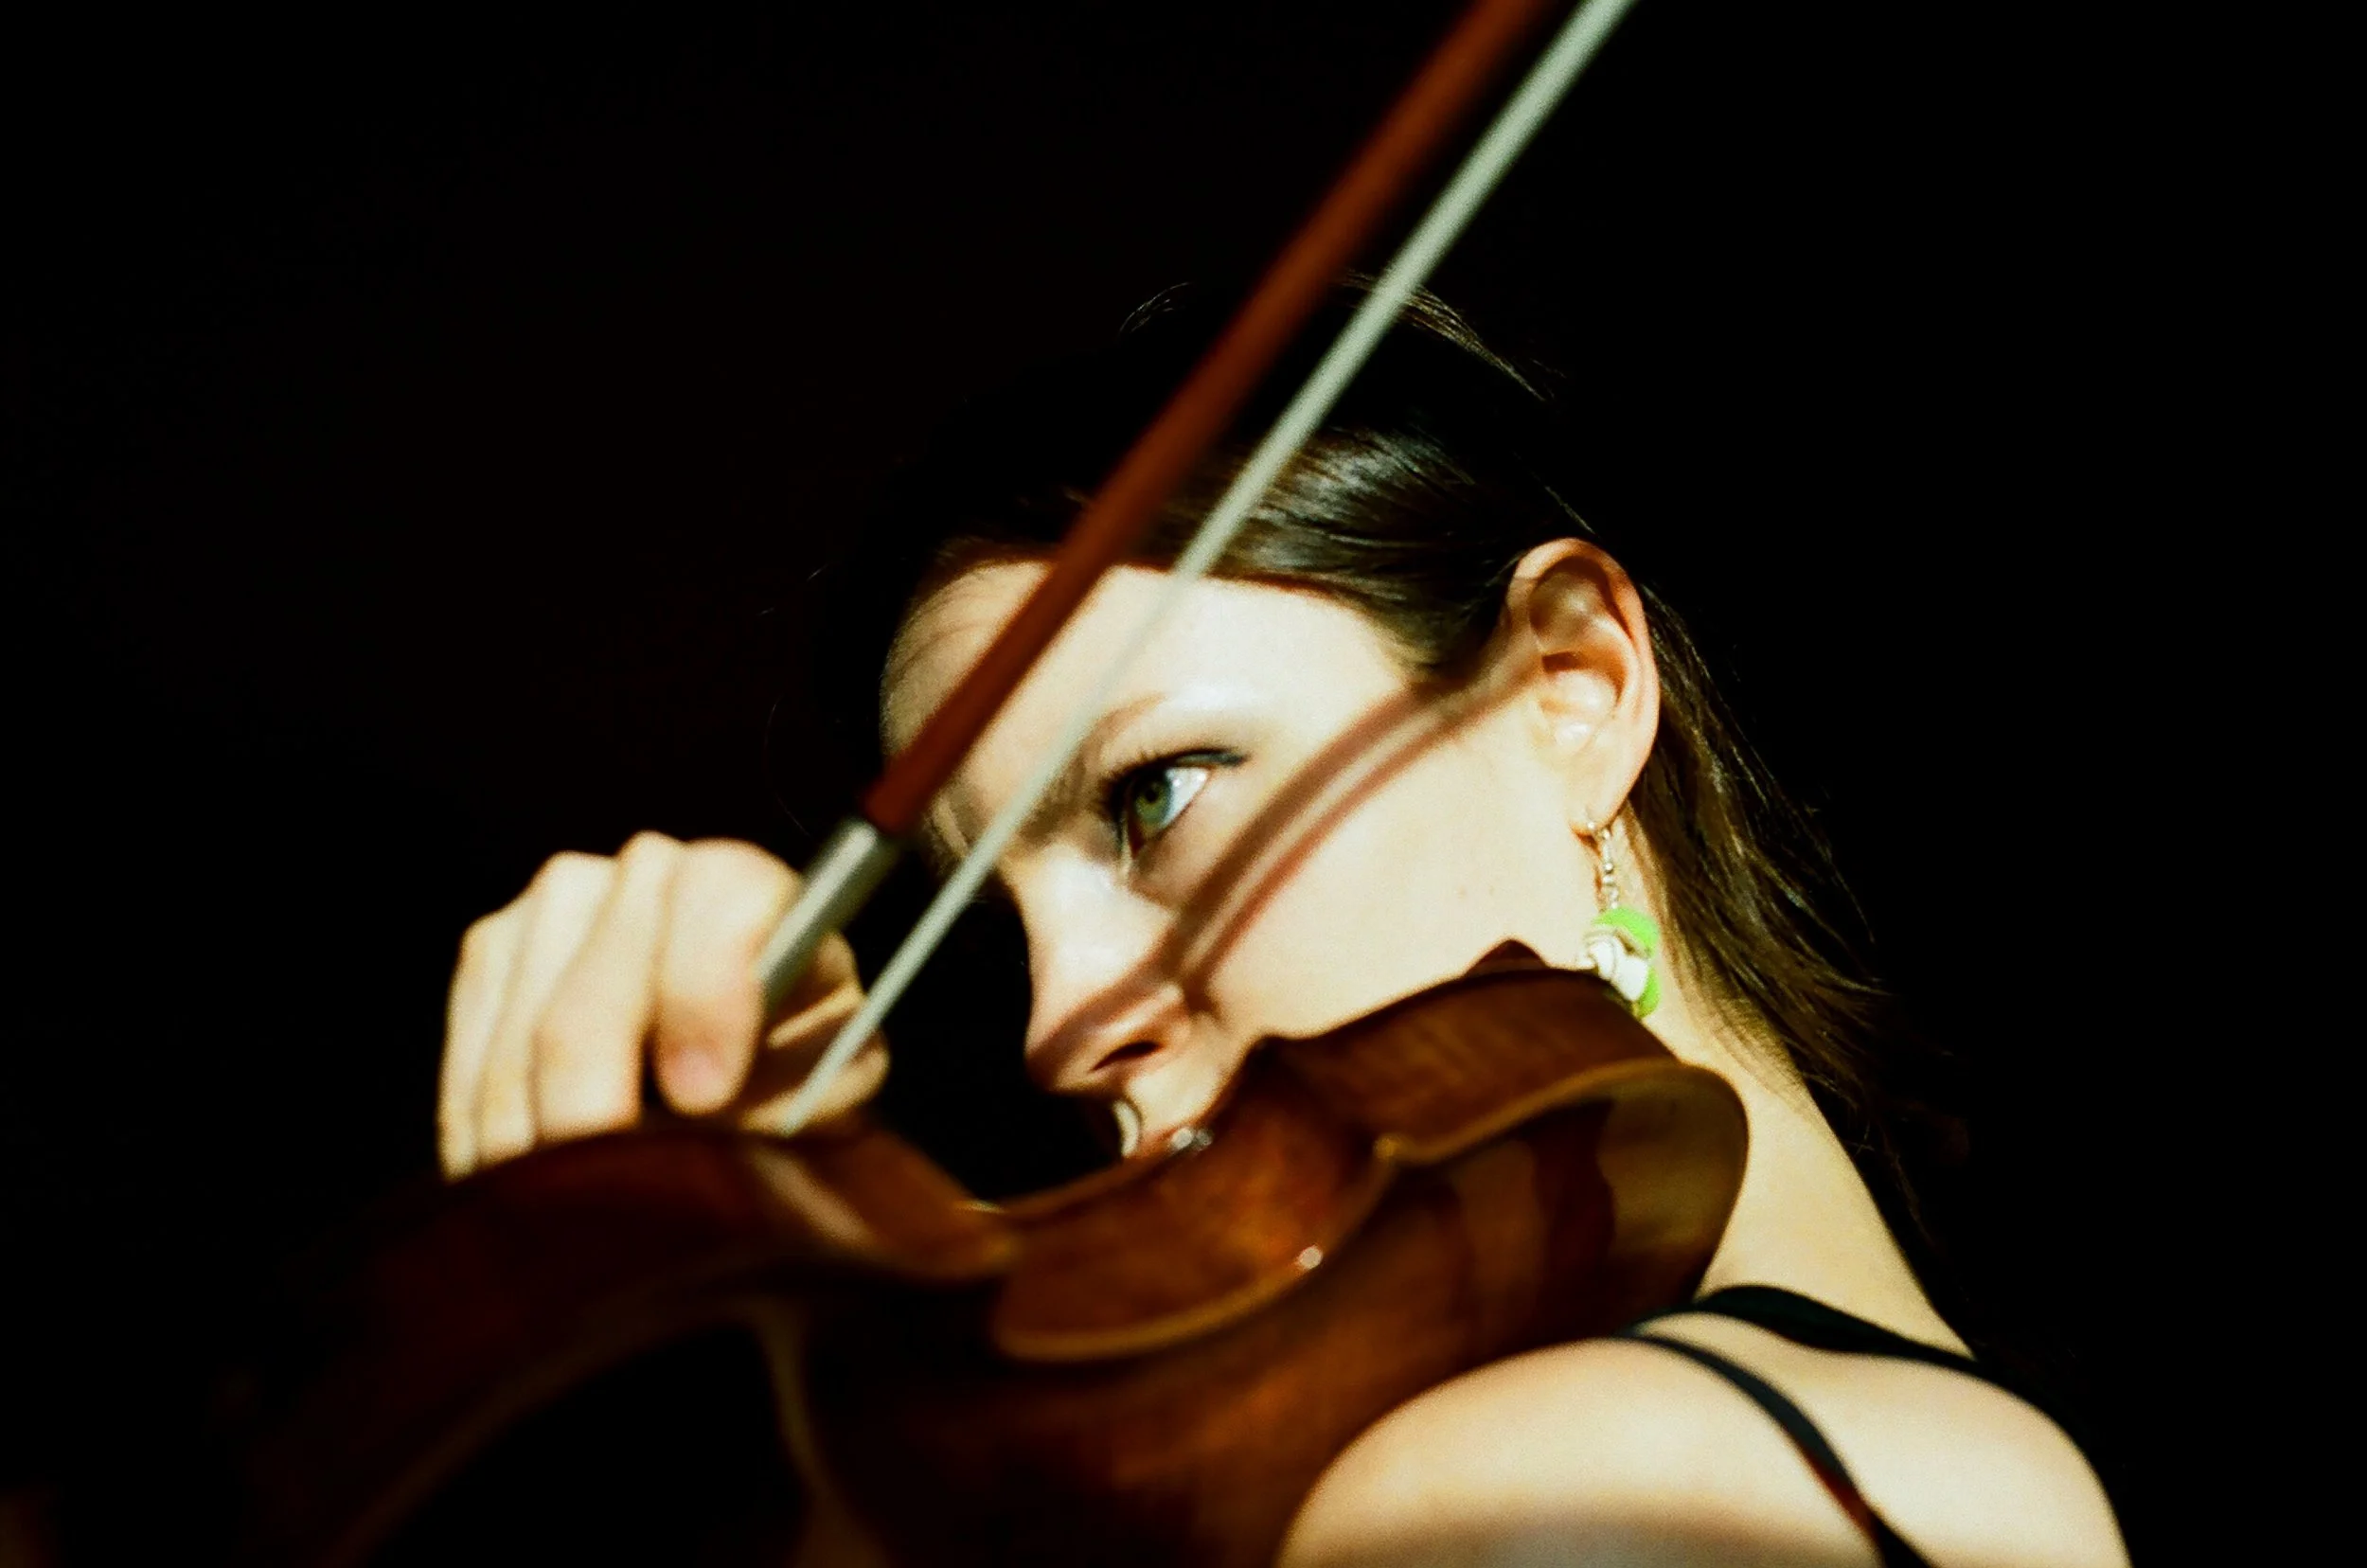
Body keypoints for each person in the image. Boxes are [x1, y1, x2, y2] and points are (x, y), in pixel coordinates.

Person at [436, 286, 2127, 1566]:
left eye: (1157, 791)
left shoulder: (1555, 1476)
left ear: (1571, 687)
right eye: (996, 926)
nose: (1055, 1022)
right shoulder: (1955, 1466)